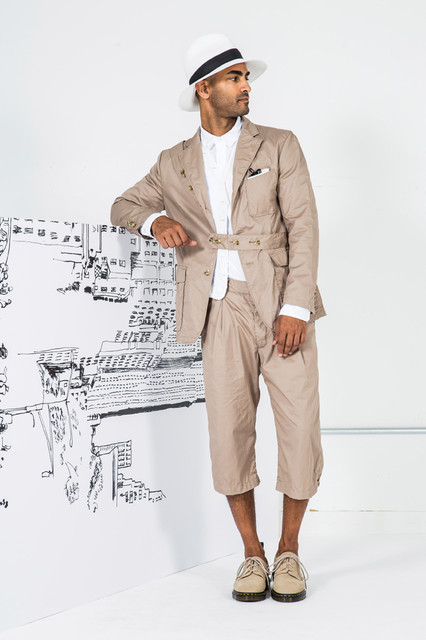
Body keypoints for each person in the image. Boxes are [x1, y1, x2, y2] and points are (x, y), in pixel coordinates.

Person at [111, 33, 326, 603]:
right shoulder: (173, 162)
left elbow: (304, 226)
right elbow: (123, 204)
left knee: (300, 428)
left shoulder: (279, 144)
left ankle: (290, 550)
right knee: (229, 433)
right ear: (205, 89)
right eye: (235, 78)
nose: (246, 85)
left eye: (246, 77)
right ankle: (252, 554)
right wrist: (155, 221)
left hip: (280, 302)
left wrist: (296, 306)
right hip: (215, 307)